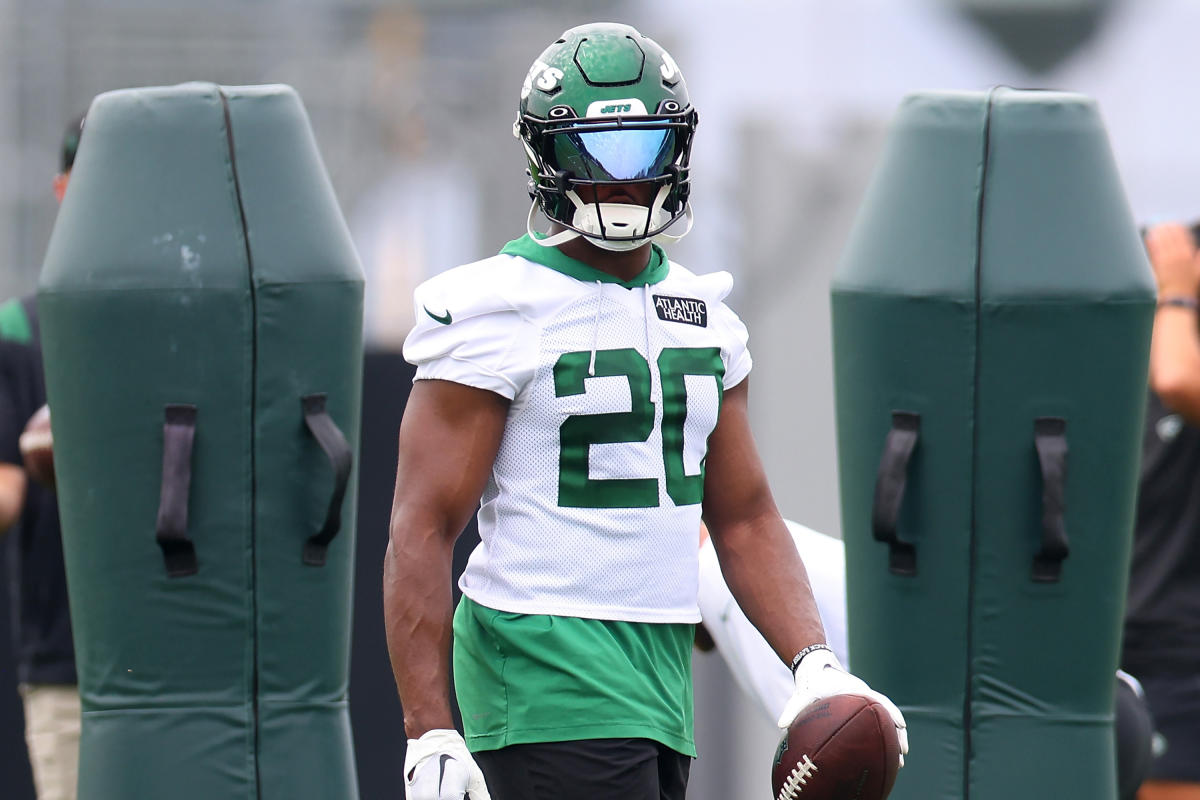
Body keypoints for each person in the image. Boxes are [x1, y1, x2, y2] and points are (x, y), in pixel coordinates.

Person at [383, 22, 906, 800]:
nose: (620, 179)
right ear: (546, 157)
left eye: (642, 150)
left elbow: (745, 516)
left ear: (679, 151)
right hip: (542, 668)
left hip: (658, 681)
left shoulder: (704, 314)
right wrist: (429, 728)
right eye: (591, 151)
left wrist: (814, 665)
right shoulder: (496, 306)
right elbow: (421, 527)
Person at [697, 520, 1153, 800]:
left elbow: (833, 760)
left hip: (1048, 735)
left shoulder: (729, 588)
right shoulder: (768, 550)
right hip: (1109, 703)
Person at [0, 111, 86, 800]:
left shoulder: (189, 319)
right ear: (63, 189)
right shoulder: (20, 330)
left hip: (185, 661)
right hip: (68, 664)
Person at [1121, 221, 1200, 800]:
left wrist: (1177, 290)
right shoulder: (1130, 378)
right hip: (1118, 645)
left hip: (1181, 657)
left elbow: (1178, 378)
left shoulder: (1179, 373)